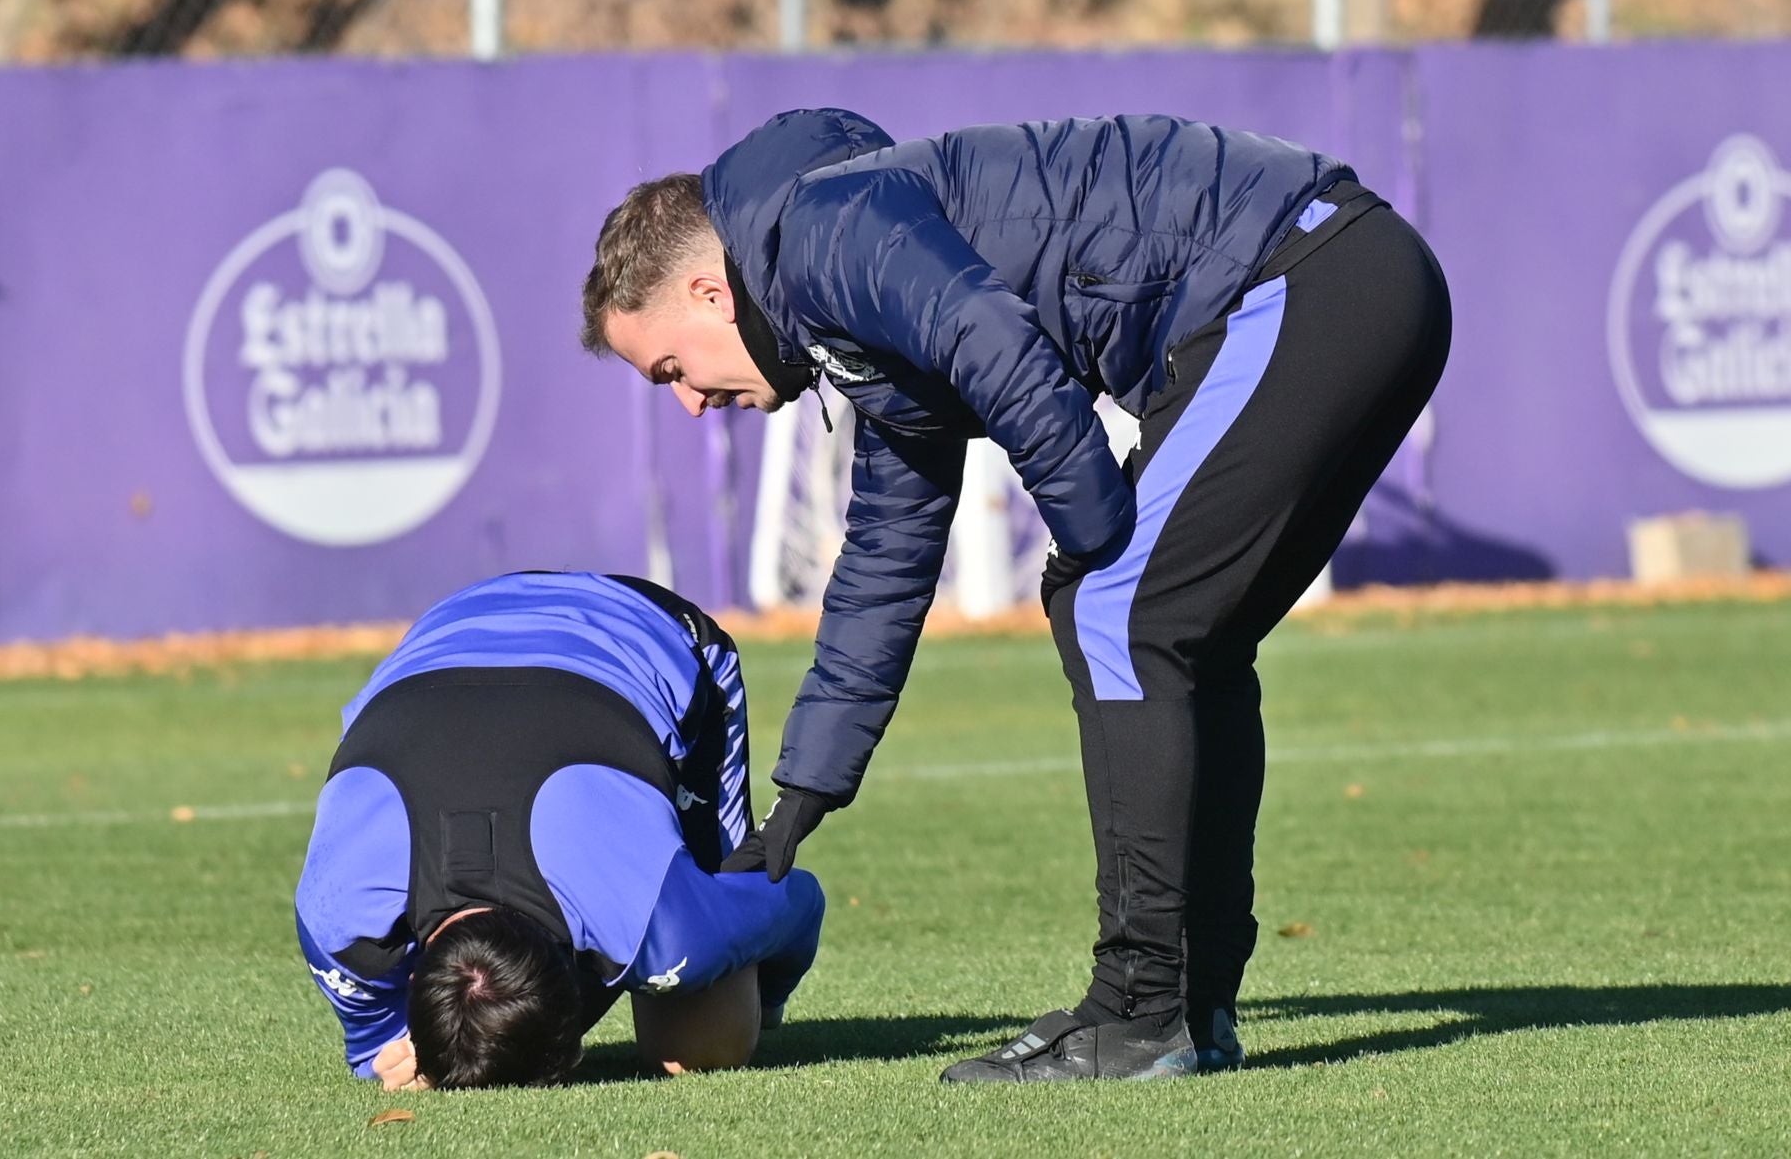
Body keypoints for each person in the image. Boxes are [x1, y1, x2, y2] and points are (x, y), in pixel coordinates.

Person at [579, 108, 1451, 1082]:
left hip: (1305, 278)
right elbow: (885, 556)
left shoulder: (824, 230)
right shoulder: (842, 301)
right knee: (1178, 634)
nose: (692, 400)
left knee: (1122, 610)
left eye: (670, 368)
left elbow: (991, 338)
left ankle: (1138, 1007)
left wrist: (1092, 531)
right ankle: (1187, 1007)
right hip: (1343, 278)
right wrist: (802, 796)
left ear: (708, 289)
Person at [295, 571, 826, 1089]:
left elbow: (795, 900)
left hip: (641, 630)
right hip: (454, 622)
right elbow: (377, 1053)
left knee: (703, 1043)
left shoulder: (656, 925)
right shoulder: (333, 921)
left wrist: (758, 978)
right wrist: (398, 1060)